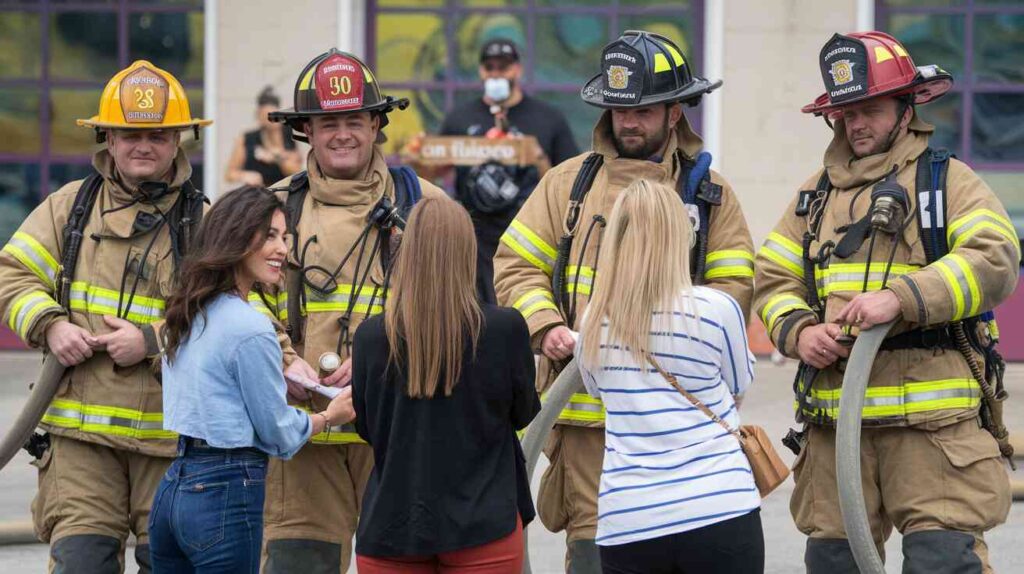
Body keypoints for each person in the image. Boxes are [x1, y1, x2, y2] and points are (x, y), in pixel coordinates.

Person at [754, 31, 1017, 572]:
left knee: (943, 563)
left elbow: (995, 257)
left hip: (933, 433)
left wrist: (902, 298)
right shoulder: (814, 197)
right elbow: (772, 278)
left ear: (905, 108)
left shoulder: (945, 184)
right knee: (834, 563)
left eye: (869, 109)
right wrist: (800, 331)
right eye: (846, 113)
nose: (856, 125)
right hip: (835, 435)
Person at [493, 30, 756, 572]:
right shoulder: (567, 185)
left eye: (644, 109)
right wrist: (546, 327)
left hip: (682, 433)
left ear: (677, 111)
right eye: (618, 109)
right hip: (585, 426)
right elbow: (515, 265)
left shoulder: (711, 197)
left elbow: (733, 290)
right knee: (591, 555)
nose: (628, 122)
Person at [0, 60, 210, 572]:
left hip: (169, 444)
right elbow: (11, 275)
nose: (143, 145)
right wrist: (52, 324)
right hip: (79, 443)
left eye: (158, 134)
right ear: (108, 138)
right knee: (81, 562)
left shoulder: (205, 222)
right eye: (130, 133)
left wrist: (152, 340)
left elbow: (231, 316)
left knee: (170, 563)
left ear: (179, 140)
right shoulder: (67, 208)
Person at [256, 48, 448, 574]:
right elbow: (237, 296)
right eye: (328, 122)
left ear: (376, 124)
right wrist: (281, 358)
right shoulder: (272, 209)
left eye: (354, 120)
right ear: (306, 132)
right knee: (300, 563)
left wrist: (381, 361)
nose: (342, 134)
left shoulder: (427, 207)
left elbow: (457, 311)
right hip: (303, 442)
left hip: (396, 433)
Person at [148, 186, 355, 572]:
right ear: (237, 239)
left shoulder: (187, 312)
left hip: (174, 486)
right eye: (270, 236)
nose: (282, 250)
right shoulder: (252, 329)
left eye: (285, 238)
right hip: (225, 490)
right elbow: (277, 431)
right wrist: (331, 416)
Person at [577, 179, 762, 574]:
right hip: (719, 505)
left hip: (628, 517)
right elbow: (738, 388)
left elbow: (598, 390)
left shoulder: (595, 318)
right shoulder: (716, 309)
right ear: (681, 235)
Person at [350, 196, 540, 572]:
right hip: (484, 523)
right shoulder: (505, 329)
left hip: (392, 525)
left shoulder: (370, 338)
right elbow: (523, 414)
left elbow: (368, 429)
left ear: (407, 250)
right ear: (467, 251)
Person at [417, 38, 579, 304]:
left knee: (521, 306)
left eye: (503, 67)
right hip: (473, 237)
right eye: (490, 67)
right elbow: (433, 172)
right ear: (481, 71)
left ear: (518, 69)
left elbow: (569, 184)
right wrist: (419, 154)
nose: (496, 74)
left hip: (529, 232)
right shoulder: (461, 117)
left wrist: (535, 156)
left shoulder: (547, 118)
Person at [225, 86, 303, 187]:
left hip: (283, 193)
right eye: (265, 116)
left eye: (272, 116)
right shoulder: (247, 139)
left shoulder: (288, 135)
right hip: (258, 195)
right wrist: (244, 175)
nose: (270, 121)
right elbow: (229, 174)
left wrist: (276, 157)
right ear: (258, 115)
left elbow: (296, 170)